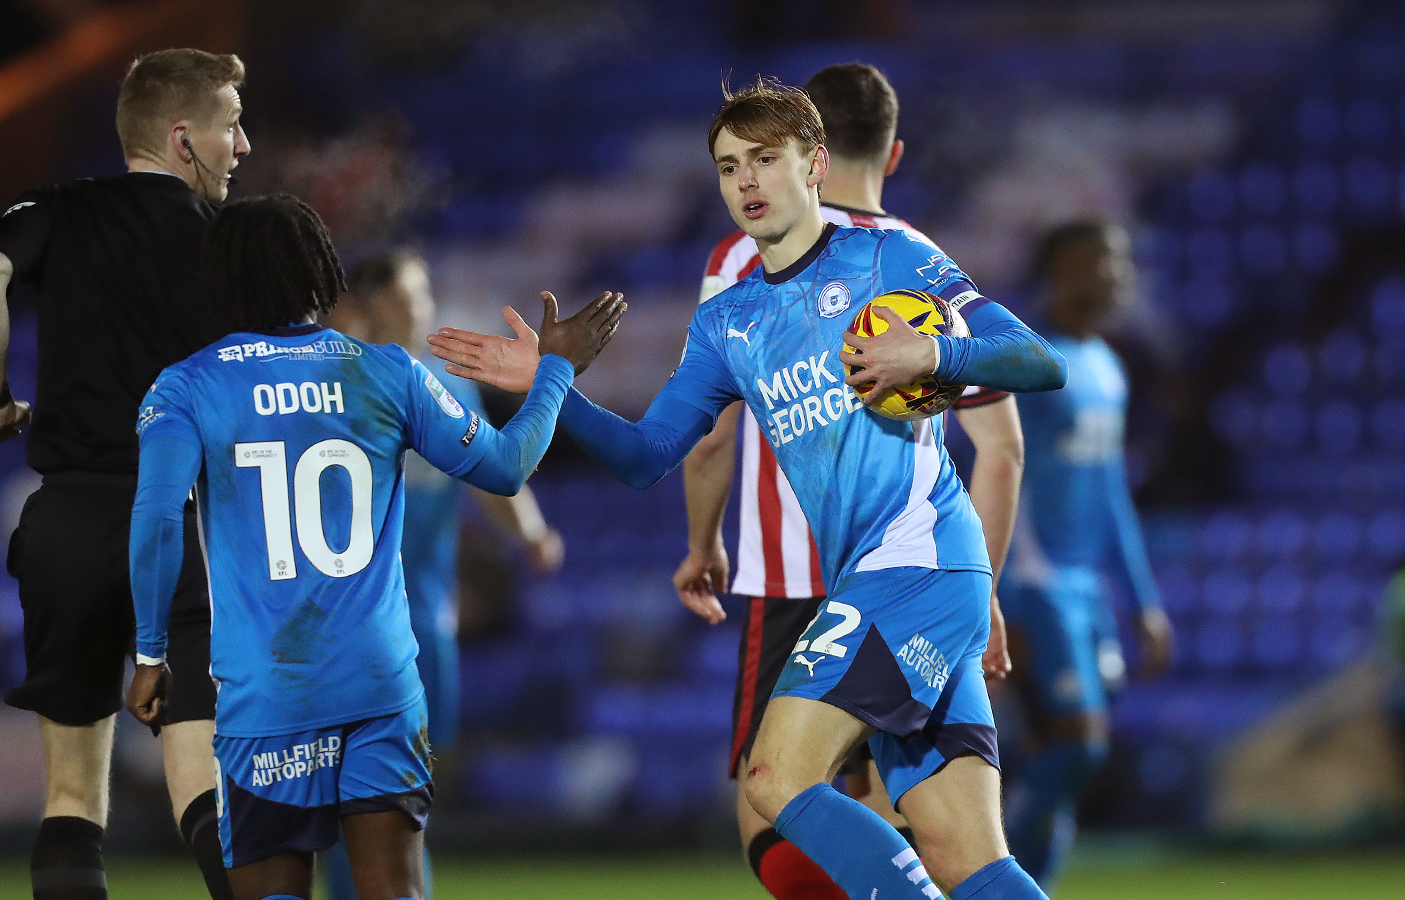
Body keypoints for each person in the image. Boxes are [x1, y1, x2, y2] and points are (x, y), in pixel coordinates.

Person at [431, 77, 1065, 900]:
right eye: (729, 168)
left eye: (766, 160)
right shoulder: (727, 322)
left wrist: (935, 357)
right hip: (893, 576)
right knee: (969, 861)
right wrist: (551, 381)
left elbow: (1035, 359)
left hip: (917, 561)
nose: (747, 184)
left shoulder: (886, 256)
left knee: (773, 778)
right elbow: (646, 454)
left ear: (816, 164)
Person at [124, 194, 624, 900]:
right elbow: (508, 467)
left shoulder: (188, 385)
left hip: (268, 691)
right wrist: (557, 371)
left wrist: (151, 652)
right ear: (323, 278)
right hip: (380, 684)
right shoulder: (388, 372)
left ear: (222, 280)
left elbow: (153, 520)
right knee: (394, 889)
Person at [675, 63, 1024, 900]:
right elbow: (1001, 446)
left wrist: (700, 543)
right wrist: (983, 592)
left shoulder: (740, 259)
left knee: (777, 816)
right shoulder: (912, 255)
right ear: (893, 153)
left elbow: (709, 435)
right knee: (932, 833)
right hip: (922, 571)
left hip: (799, 579)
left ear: (809, 152)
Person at [0, 48, 251, 900]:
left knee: (73, 796)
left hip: (73, 522)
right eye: (232, 124)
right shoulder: (232, 240)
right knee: (205, 788)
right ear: (184, 137)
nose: (246, 144)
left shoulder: (61, 209)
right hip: (193, 527)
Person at [319, 249, 567, 900]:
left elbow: (494, 478)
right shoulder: (334, 389)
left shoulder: (448, 387)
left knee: (406, 792)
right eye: (408, 296)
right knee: (361, 792)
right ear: (367, 309)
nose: (422, 308)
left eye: (424, 294)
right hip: (346, 625)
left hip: (423, 619)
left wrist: (533, 535)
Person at [998, 221, 1172, 892]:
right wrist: (992, 588)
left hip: (1085, 590)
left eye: (1122, 263)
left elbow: (1111, 499)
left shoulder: (1108, 366)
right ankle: (979, 876)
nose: (1117, 276)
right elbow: (993, 466)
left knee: (1060, 758)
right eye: (1102, 262)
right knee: (1078, 745)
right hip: (1032, 583)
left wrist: (1144, 602)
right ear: (1061, 271)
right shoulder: (1028, 360)